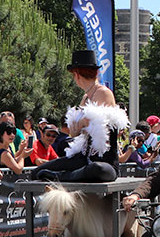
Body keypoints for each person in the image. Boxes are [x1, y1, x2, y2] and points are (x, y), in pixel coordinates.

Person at [32, 50, 127, 183]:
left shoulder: (104, 93)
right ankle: (64, 175)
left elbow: (95, 123)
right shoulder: (85, 98)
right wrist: (80, 125)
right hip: (82, 157)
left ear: (76, 75)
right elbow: (74, 132)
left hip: (104, 162)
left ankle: (62, 176)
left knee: (97, 169)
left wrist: (81, 124)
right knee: (37, 172)